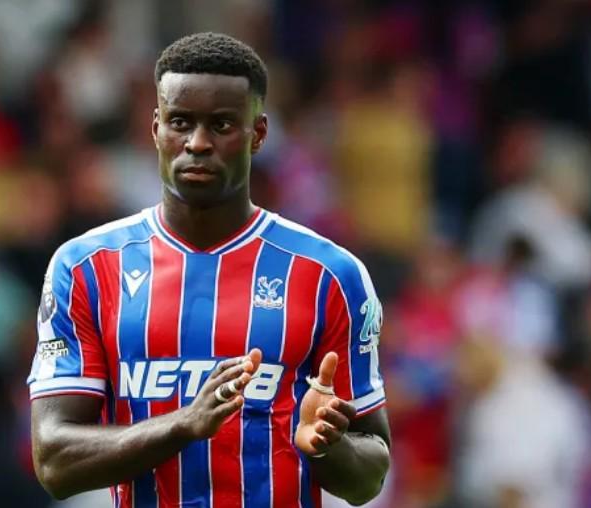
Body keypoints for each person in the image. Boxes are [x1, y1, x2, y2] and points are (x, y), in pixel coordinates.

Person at [28, 32, 391, 507]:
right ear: (156, 128)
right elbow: (54, 461)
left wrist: (328, 447)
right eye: (180, 122)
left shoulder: (329, 276)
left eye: (221, 125)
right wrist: (184, 424)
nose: (197, 143)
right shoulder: (86, 268)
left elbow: (370, 476)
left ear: (258, 134)